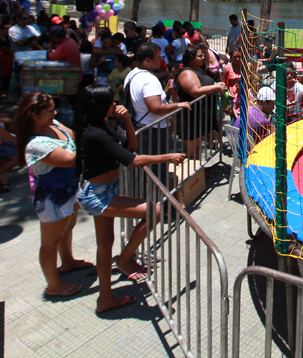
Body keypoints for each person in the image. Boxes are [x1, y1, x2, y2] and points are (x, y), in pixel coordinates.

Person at [74, 85, 187, 313]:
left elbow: (131, 146)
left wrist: (126, 120)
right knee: (155, 212)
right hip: (97, 195)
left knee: (105, 243)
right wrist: (168, 156)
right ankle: (125, 259)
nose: (116, 104)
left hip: (103, 189)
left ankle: (105, 298)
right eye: (111, 102)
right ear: (101, 107)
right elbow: (133, 160)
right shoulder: (94, 133)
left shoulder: (101, 126)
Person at [15, 92, 92, 297]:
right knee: (49, 242)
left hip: (70, 189)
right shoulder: (36, 144)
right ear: (34, 115)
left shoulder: (54, 124)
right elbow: (69, 159)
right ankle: (53, 286)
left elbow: (74, 137)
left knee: (67, 228)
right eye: (49, 111)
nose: (55, 113)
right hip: (53, 197)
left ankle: (67, 262)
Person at [124, 42, 192, 183]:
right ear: (147, 60)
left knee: (145, 169)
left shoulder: (132, 74)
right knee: (157, 169)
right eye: (157, 58)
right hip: (153, 130)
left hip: (139, 126)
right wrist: (178, 105)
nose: (161, 60)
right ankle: (156, 202)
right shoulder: (150, 80)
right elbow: (155, 108)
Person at [175, 42, 227, 158]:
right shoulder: (187, 73)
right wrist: (216, 87)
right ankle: (192, 174)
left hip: (200, 116)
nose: (203, 57)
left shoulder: (198, 70)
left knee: (198, 146)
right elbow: (195, 91)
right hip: (191, 117)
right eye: (200, 56)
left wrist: (216, 84)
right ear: (191, 58)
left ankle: (200, 173)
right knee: (192, 148)